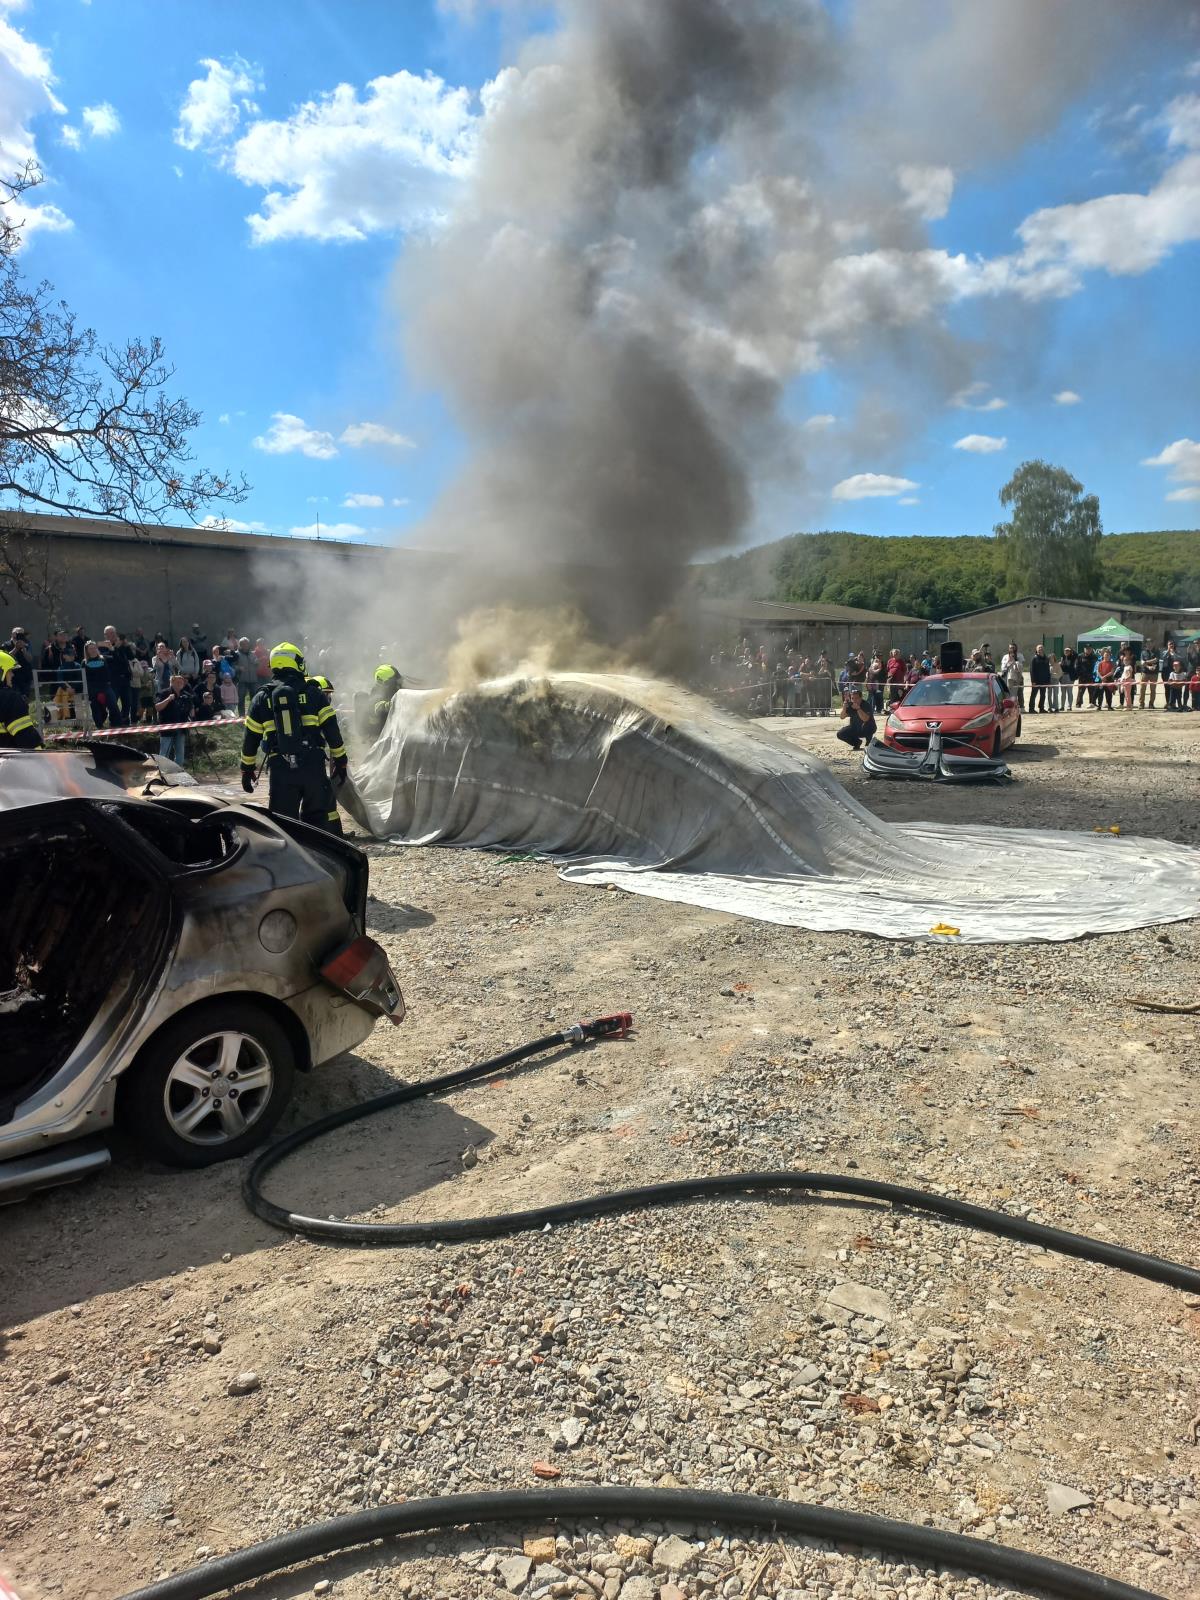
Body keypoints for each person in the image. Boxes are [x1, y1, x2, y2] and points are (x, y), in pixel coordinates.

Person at [241, 641, 348, 835]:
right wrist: (341, 761)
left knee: (283, 824)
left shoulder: (261, 698)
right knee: (319, 817)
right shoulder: (313, 692)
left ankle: (290, 862)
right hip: (313, 766)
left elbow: (251, 738)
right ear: (296, 663)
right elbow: (332, 731)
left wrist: (246, 769)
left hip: (280, 768)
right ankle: (325, 858)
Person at [0, 648, 41, 748]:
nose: (12, 675)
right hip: (7, 761)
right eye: (9, 671)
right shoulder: (10, 699)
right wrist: (42, 760)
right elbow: (27, 739)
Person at [155, 673, 194, 764]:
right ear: (171, 682)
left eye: (182, 682)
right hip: (167, 728)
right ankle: (162, 772)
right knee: (164, 753)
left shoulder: (186, 695)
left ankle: (178, 772)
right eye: (178, 682)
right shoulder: (164, 693)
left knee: (180, 753)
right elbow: (157, 707)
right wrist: (168, 699)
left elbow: (191, 711)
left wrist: (191, 708)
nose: (180, 683)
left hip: (181, 728)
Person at [101, 625, 134, 725]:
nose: (112, 635)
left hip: (125, 679)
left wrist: (125, 646)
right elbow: (110, 659)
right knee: (113, 703)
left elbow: (131, 657)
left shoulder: (122, 646)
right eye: (109, 633)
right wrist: (114, 648)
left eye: (113, 633)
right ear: (105, 636)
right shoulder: (103, 648)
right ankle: (114, 722)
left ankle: (125, 721)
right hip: (113, 680)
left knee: (127, 702)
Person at [81, 640, 115, 728]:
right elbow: (83, 678)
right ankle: (99, 727)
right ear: (87, 650)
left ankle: (117, 724)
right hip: (92, 688)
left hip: (105, 687)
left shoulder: (103, 659)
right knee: (96, 708)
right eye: (90, 648)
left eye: (94, 648)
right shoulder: (84, 663)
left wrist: (111, 648)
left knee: (112, 704)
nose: (93, 650)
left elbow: (113, 659)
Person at [363, 662, 402, 737]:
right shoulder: (377, 693)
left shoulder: (397, 686)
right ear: (384, 682)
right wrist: (387, 705)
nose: (397, 682)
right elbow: (375, 707)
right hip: (383, 731)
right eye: (393, 680)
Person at [836, 686, 877, 750]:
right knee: (840, 734)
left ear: (861, 698)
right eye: (852, 698)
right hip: (855, 727)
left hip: (867, 728)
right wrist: (844, 707)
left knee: (868, 726)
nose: (854, 700)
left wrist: (858, 709)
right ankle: (856, 742)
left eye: (856, 698)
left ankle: (868, 741)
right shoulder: (851, 705)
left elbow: (865, 719)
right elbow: (842, 717)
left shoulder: (866, 704)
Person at [2, 627, 34, 699]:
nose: (20, 635)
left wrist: (24, 650)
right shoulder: (6, 644)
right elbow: (5, 659)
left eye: (22, 633)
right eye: (18, 633)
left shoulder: (26, 644)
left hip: (25, 676)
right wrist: (16, 648)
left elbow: (30, 659)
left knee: (25, 698)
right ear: (13, 634)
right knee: (14, 698)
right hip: (12, 676)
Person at [235, 637, 257, 715]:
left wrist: (257, 662)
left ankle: (253, 715)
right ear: (240, 645)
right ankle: (241, 717)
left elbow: (257, 664)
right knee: (241, 699)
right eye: (243, 644)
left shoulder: (252, 654)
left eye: (247, 644)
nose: (245, 645)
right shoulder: (236, 654)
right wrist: (239, 668)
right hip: (242, 680)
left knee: (254, 699)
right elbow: (232, 666)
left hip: (253, 680)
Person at [1028, 644, 1051, 712]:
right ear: (1036, 649)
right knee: (1033, 695)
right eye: (1039, 648)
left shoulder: (1046, 658)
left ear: (1043, 649)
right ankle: (1031, 709)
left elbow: (1048, 670)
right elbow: (1032, 671)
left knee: (1043, 695)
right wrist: (1033, 681)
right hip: (1036, 681)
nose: (1040, 649)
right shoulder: (1034, 659)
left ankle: (1041, 708)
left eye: (1041, 647)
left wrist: (1048, 681)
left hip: (1044, 680)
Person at [1139, 643, 1159, 710]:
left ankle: (1151, 704)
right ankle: (1141, 704)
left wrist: (1146, 662)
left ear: (1153, 644)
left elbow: (1156, 660)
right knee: (1142, 689)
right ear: (1146, 645)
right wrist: (1148, 667)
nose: (1149, 645)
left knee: (1153, 690)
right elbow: (1141, 663)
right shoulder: (1143, 652)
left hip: (1154, 673)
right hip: (1145, 673)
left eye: (1150, 644)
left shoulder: (1156, 651)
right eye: (1148, 644)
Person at [1057, 647, 1075, 713]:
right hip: (1063, 676)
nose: (1066, 652)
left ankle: (1069, 706)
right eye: (1065, 651)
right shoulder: (1062, 659)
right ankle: (1062, 706)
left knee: (1069, 692)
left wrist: (1071, 650)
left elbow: (1075, 655)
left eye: (1068, 651)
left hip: (1070, 677)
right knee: (1063, 693)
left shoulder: (1073, 658)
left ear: (1070, 652)